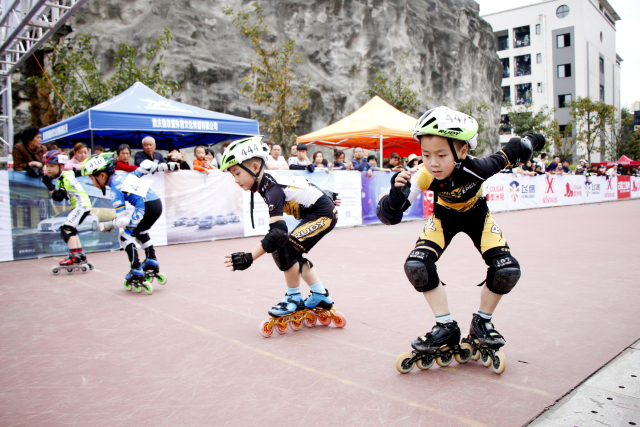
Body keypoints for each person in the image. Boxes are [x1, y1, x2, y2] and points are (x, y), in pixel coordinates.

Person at [377, 106, 544, 372]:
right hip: (445, 217)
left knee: (507, 270)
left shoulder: (479, 167)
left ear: (463, 152)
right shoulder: (424, 174)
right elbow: (389, 217)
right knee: (417, 266)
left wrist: (532, 141)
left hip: (478, 216)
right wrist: (394, 199)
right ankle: (445, 326)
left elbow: (512, 152)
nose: (432, 162)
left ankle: (482, 323)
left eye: (441, 155)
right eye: (426, 154)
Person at [220, 136, 338, 322]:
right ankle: (320, 295)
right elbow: (299, 183)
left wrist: (249, 256)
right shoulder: (266, 184)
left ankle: (294, 297)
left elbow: (277, 233)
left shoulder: (270, 187)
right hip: (320, 210)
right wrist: (325, 195)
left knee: (284, 246)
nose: (235, 180)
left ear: (255, 168)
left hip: (323, 214)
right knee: (291, 251)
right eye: (232, 175)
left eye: (236, 173)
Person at [81, 153, 177, 291]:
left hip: (145, 207)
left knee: (125, 236)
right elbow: (145, 168)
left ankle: (136, 270)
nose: (91, 183)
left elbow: (122, 220)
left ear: (102, 175)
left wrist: (109, 225)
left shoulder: (114, 188)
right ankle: (151, 261)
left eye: (92, 178)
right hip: (156, 204)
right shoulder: (123, 176)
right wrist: (168, 166)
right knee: (140, 231)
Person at [41, 150, 93, 272]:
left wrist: (49, 185)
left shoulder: (65, 177)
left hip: (81, 206)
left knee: (66, 231)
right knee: (71, 230)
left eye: (52, 166)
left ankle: (74, 257)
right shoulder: (65, 175)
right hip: (81, 205)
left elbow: (58, 197)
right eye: (47, 166)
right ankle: (79, 254)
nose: (48, 169)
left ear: (61, 166)